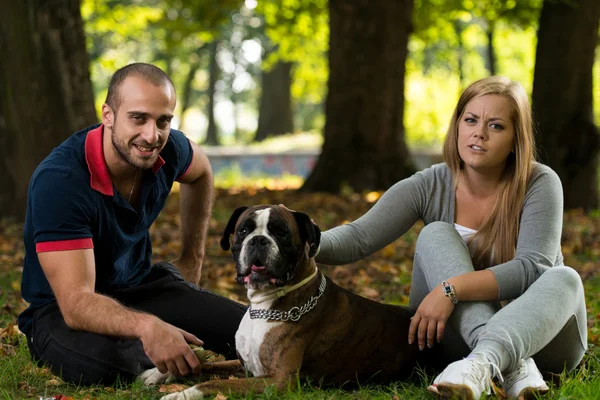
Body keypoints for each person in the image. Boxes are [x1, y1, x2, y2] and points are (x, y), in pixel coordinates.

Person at [314, 76, 587, 399]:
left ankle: (486, 362)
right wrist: (293, 238)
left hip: (542, 343)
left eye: (496, 126)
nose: (479, 133)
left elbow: (531, 269)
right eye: (470, 120)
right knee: (435, 234)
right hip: (457, 342)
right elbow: (358, 237)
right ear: (457, 125)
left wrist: (451, 289)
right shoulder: (430, 185)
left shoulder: (540, 183)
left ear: (517, 138)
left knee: (565, 279)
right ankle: (504, 366)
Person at [18, 62, 246, 386]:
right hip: (61, 310)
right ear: (108, 115)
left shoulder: (168, 149)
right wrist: (149, 327)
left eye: (163, 121)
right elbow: (76, 303)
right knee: (105, 366)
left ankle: (162, 349)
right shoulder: (60, 180)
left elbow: (202, 171)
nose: (152, 136)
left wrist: (192, 259)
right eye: (138, 118)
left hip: (141, 288)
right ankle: (155, 353)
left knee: (250, 330)